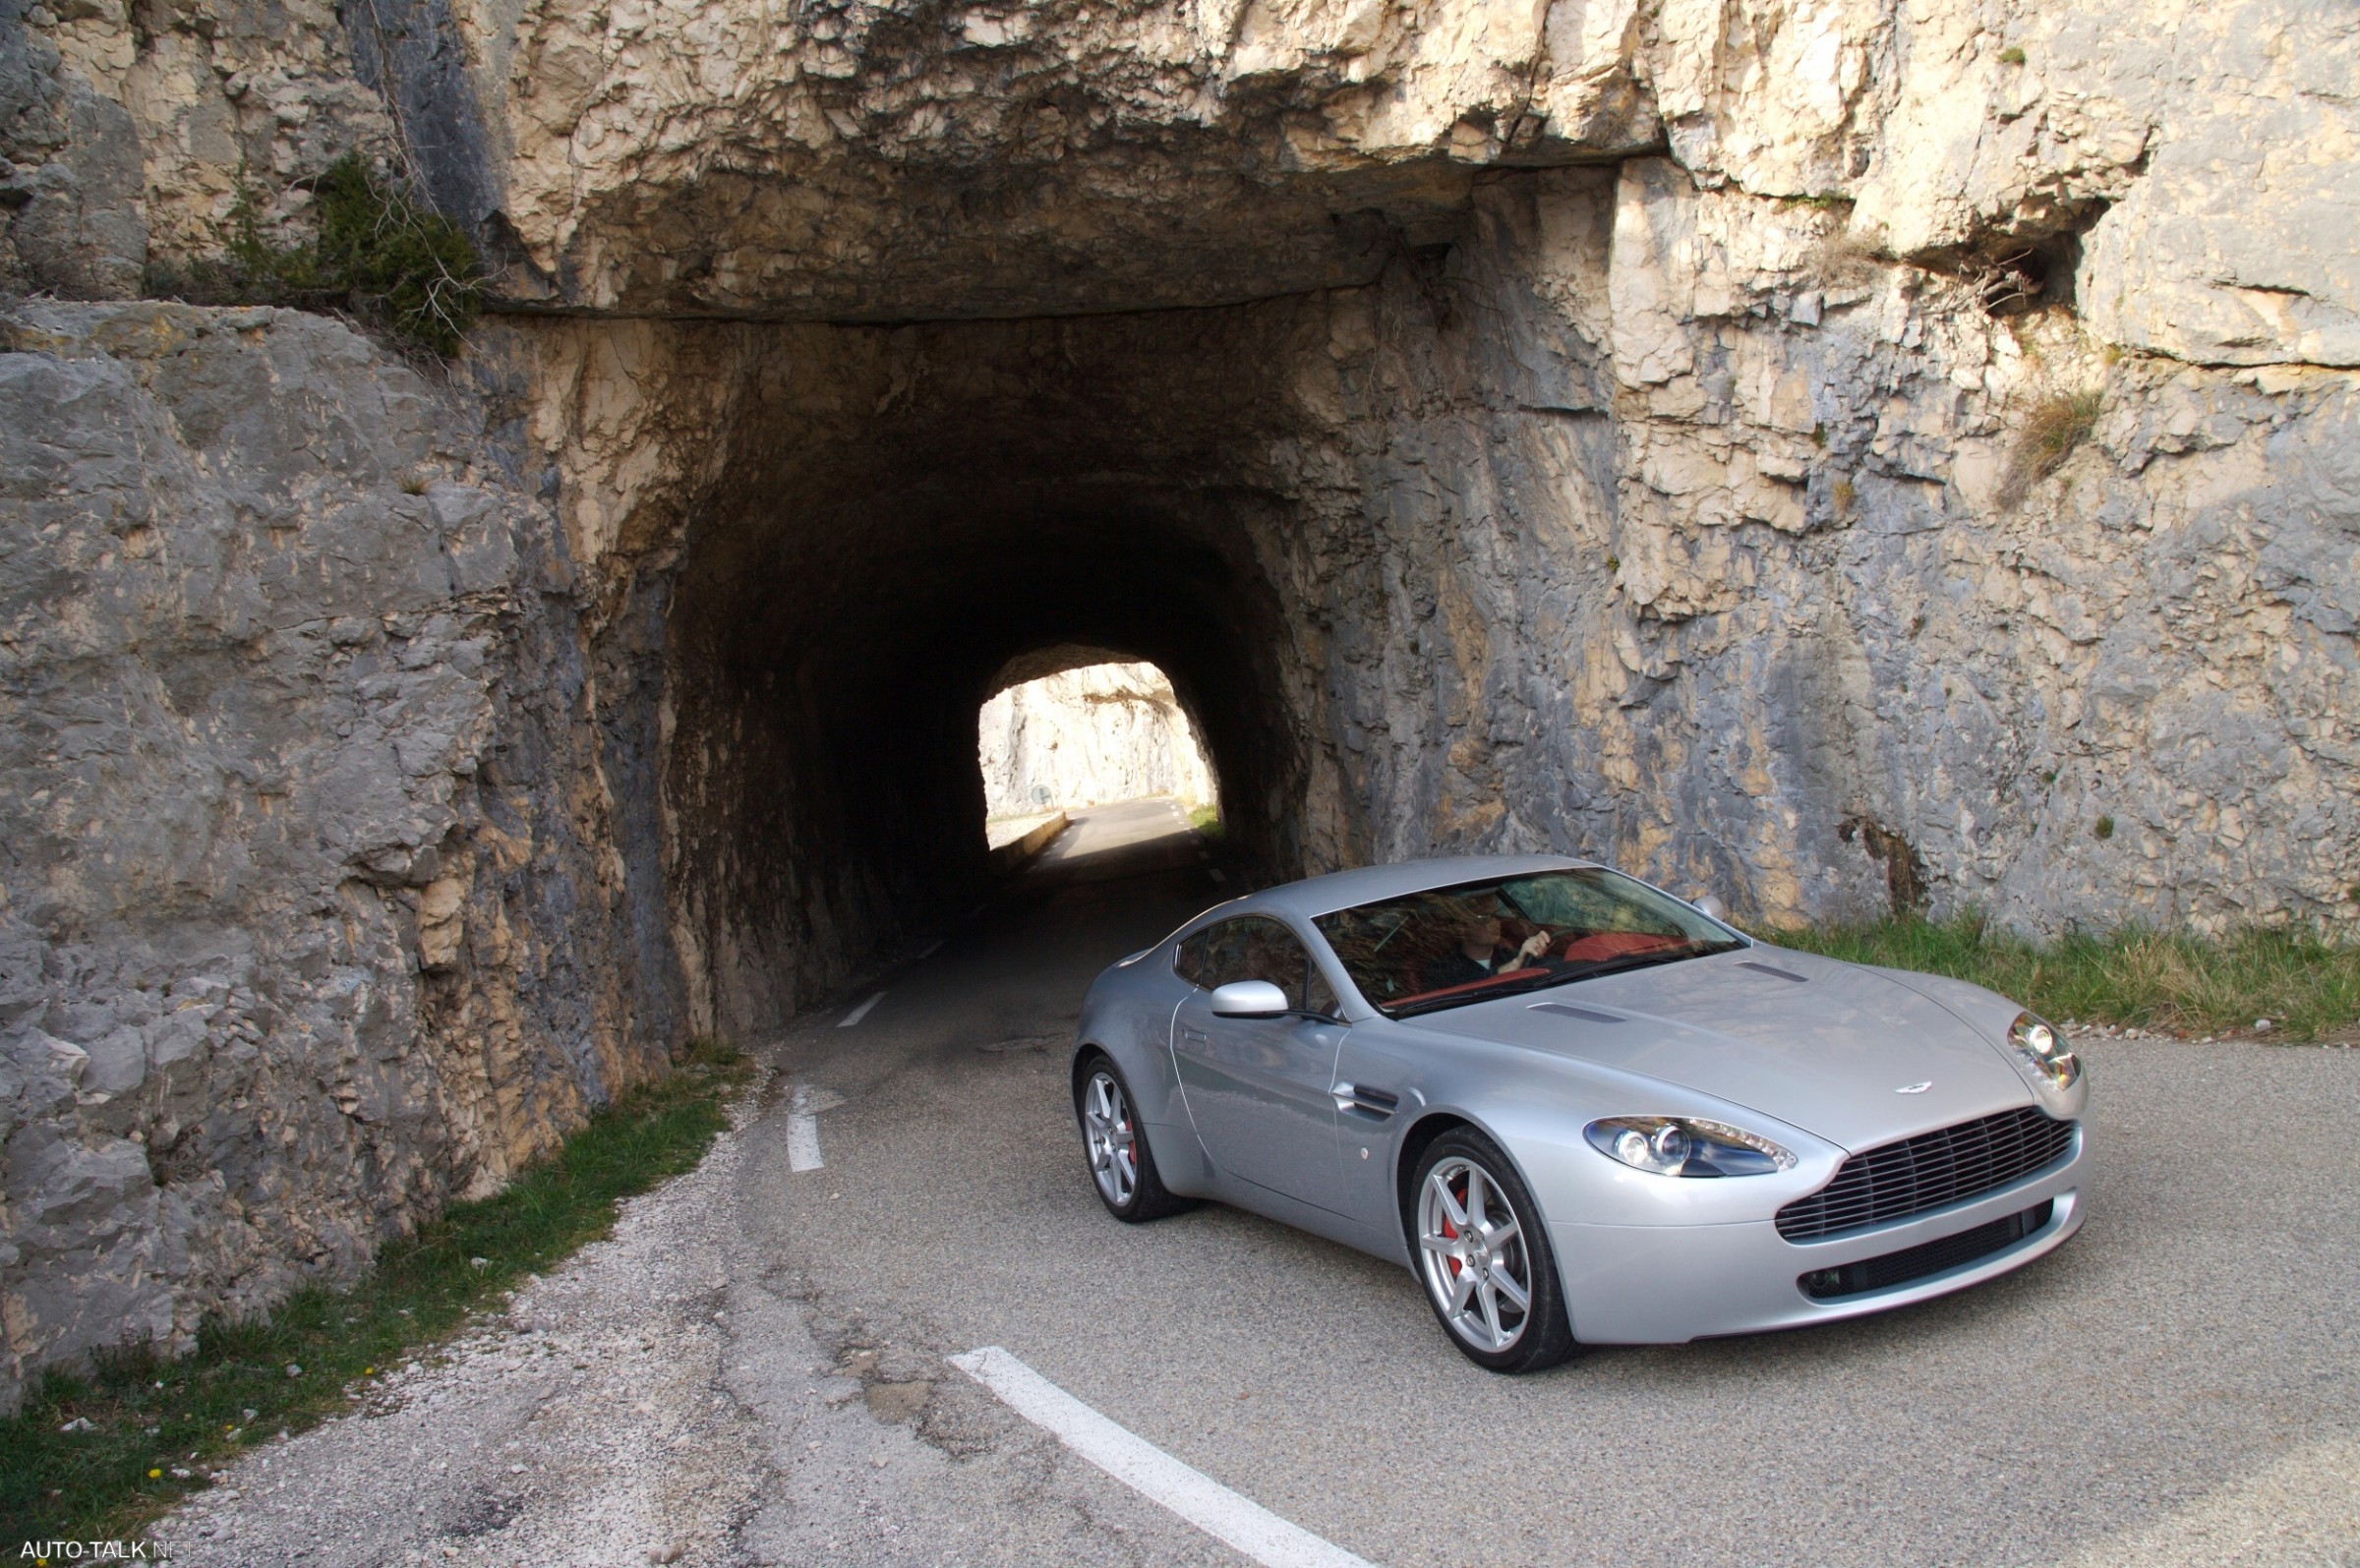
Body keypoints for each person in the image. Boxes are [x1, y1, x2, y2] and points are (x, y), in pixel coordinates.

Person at [1418, 898, 1554, 993]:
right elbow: (1463, 991)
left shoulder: (1508, 954)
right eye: (1484, 918)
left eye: (1495, 916)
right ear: (1461, 928)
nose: (1494, 923)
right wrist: (1513, 966)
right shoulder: (1442, 969)